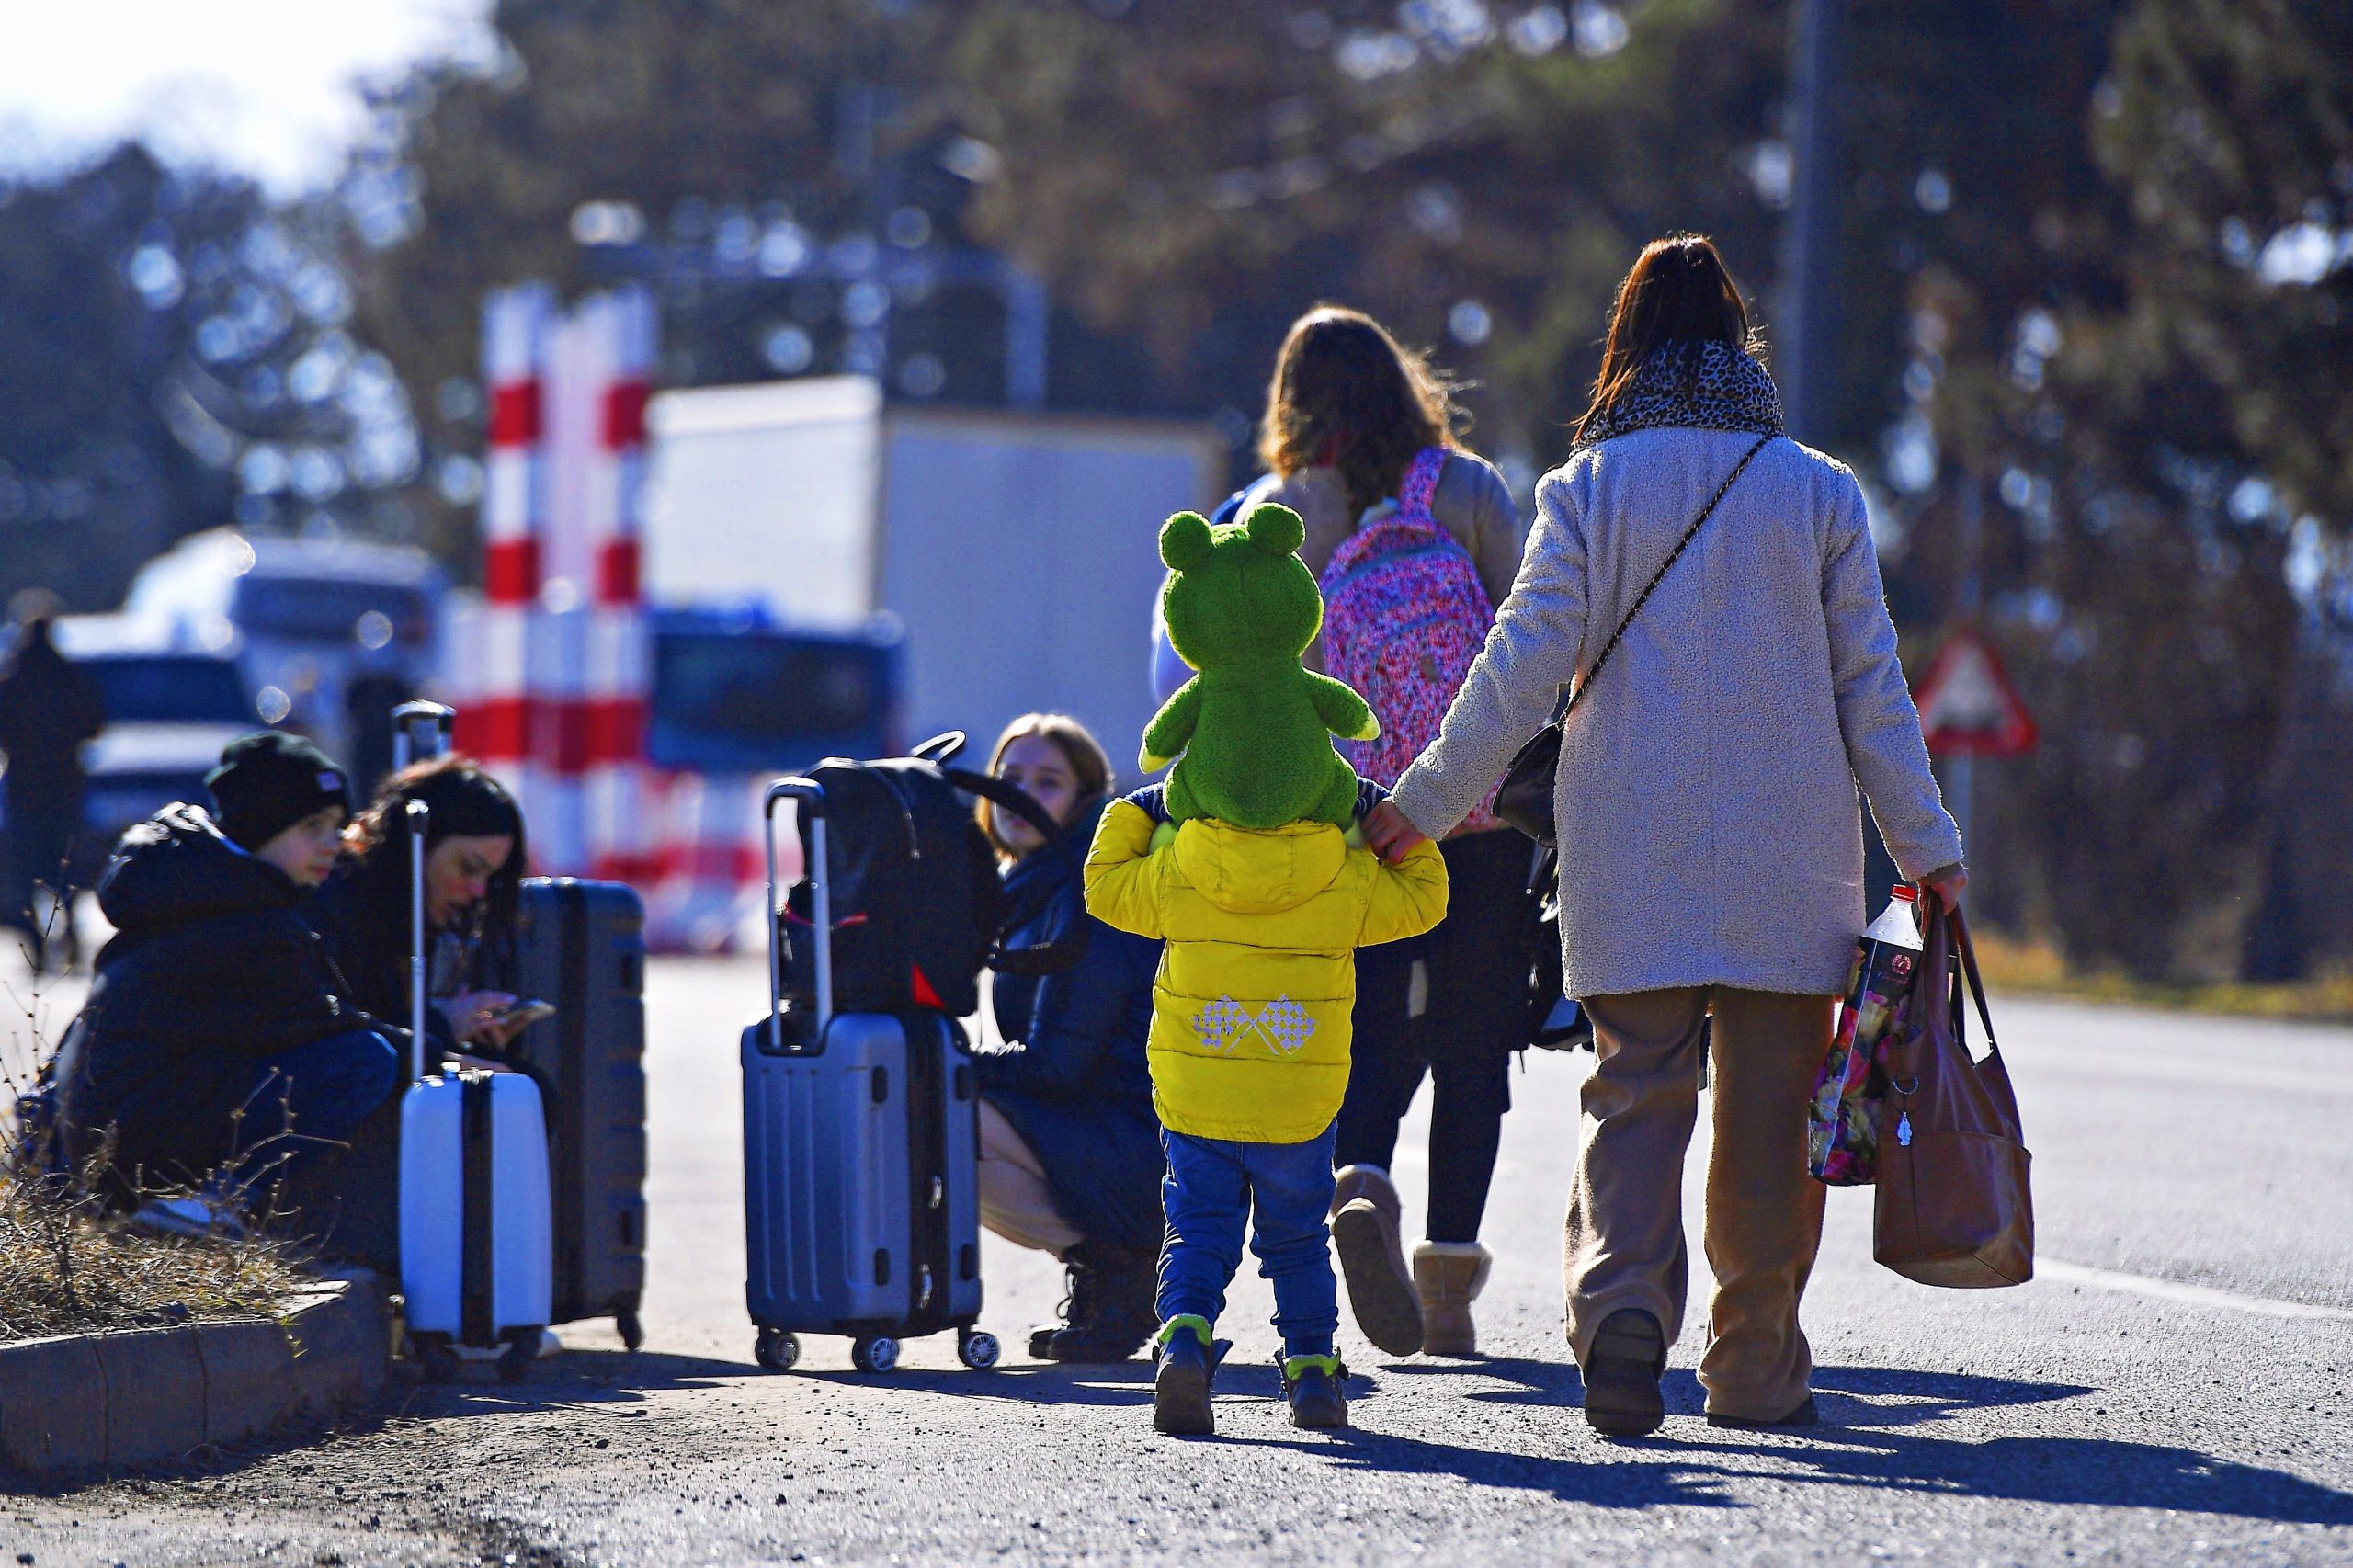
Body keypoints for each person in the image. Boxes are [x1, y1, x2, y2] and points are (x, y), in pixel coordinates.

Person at [1364, 233, 1966, 1437]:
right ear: (1740, 343)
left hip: (1625, 845)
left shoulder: (1587, 493)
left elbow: (1515, 676)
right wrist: (1925, 845)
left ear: (1624, 349)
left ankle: (1623, 1311)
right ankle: (1750, 1363)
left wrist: (1419, 805)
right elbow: (1873, 694)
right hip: (1790, 859)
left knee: (1634, 1090)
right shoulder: (1820, 491)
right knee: (1767, 1114)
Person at [1088, 502, 1451, 1436]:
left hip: (1195, 1085)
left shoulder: (1175, 866)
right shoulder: (1342, 876)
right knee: (1296, 1234)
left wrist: (1143, 807)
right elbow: (1426, 898)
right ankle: (1312, 1367)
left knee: (1198, 1229)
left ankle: (1181, 1338)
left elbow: (1101, 885)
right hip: (1299, 1092)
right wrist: (1376, 816)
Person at [1238, 304, 1534, 1359]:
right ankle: (1449, 1280)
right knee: (1470, 1040)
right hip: (1478, 811)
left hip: (1354, 818)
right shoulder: (1465, 489)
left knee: (1363, 1020)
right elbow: (1529, 641)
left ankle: (1361, 1177)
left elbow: (1248, 676)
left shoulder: (1282, 510)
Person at [53, 732, 403, 1237]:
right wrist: (439, 1052)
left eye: (338, 826)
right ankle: (210, 1204)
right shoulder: (249, 919)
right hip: (136, 1145)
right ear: (260, 830)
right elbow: (320, 1023)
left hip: (106, 1140)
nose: (333, 844)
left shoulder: (197, 886)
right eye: (313, 826)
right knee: (364, 1060)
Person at [969, 714, 1165, 1363]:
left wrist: (947, 1062)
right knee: (937, 1107)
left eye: (1047, 782)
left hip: (1147, 1147)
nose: (1020, 796)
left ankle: (1123, 1264)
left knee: (943, 1119)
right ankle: (1108, 1270)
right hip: (1104, 1123)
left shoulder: (1091, 887)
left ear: (1084, 801)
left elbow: (1057, 1066)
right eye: (1010, 778)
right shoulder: (1034, 881)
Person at [307, 756, 530, 1059]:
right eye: (467, 868)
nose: (479, 891)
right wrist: (444, 1025)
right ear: (416, 847)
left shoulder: (426, 927)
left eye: (490, 878)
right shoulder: (330, 911)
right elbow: (341, 1044)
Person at [0, 592, 106, 971]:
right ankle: (71, 936)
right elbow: (94, 724)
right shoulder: (70, 677)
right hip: (64, 786)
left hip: (26, 789)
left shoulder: (12, 680)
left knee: (28, 869)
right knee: (67, 868)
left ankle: (38, 945)